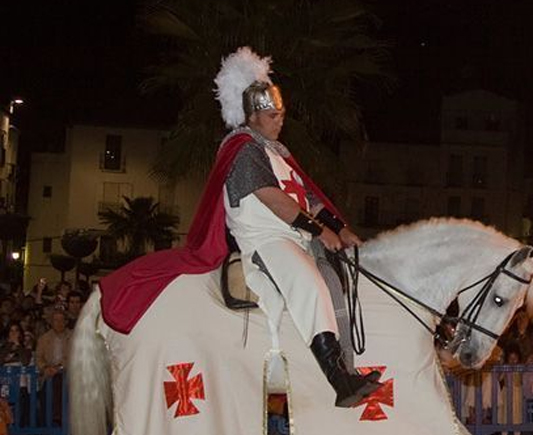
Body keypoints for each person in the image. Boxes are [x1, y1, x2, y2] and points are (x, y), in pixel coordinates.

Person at [99, 47, 379, 408]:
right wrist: (317, 231)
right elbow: (271, 197)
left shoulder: (278, 152)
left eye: (281, 115)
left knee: (334, 273)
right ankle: (338, 379)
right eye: (273, 115)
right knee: (307, 283)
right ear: (254, 115)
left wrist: (340, 228)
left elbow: (310, 197)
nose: (280, 121)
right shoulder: (243, 149)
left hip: (293, 235)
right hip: (267, 240)